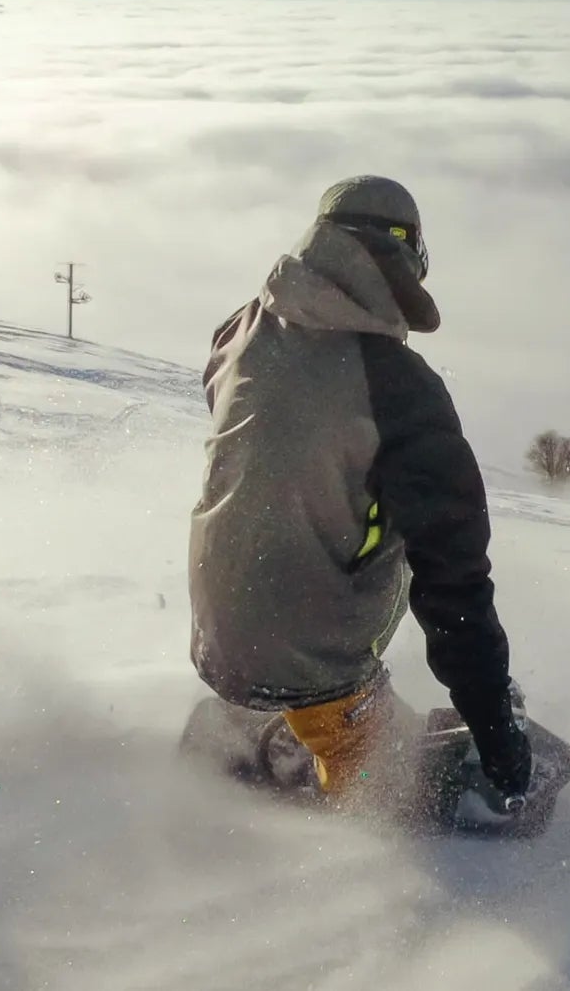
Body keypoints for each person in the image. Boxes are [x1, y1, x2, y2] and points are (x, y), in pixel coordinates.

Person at [187, 175, 531, 812]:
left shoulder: (239, 333)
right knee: (391, 791)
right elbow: (452, 574)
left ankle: (278, 720)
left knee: (341, 504)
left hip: (219, 634)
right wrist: (492, 723)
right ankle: (364, 767)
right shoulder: (397, 388)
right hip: (309, 657)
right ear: (406, 260)